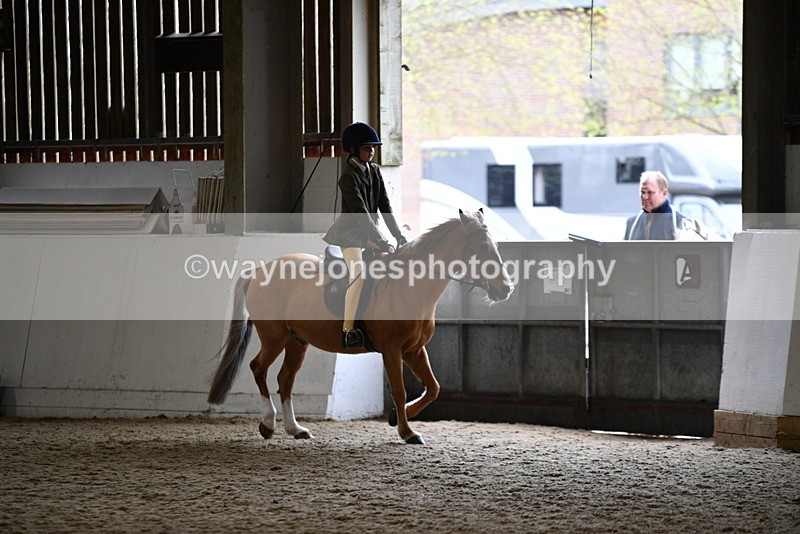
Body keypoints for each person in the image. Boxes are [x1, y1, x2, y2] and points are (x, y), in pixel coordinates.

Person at [323, 122, 407, 349]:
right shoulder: (348, 178)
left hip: (371, 234)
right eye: (366, 148)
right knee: (359, 276)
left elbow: (385, 207)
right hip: (350, 236)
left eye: (373, 147)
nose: (371, 151)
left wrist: (398, 235)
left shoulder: (375, 171)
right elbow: (361, 214)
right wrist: (380, 239)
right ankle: (348, 330)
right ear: (353, 150)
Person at [624, 170, 688, 240]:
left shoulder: (680, 223)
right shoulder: (632, 223)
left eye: (650, 192)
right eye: (642, 192)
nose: (645, 197)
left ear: (664, 193)